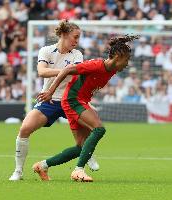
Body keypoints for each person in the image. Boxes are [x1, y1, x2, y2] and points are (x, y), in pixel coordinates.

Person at [33, 35, 139, 182]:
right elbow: (67, 70)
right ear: (117, 57)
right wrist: (50, 92)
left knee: (80, 148)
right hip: (72, 100)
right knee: (99, 129)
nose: (127, 64)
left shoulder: (112, 70)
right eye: (126, 60)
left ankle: (42, 165)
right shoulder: (96, 65)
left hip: (79, 101)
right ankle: (78, 171)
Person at [9, 20, 99, 181]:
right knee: (24, 129)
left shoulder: (77, 54)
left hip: (70, 100)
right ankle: (18, 171)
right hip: (49, 99)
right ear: (64, 35)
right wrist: (66, 70)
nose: (77, 41)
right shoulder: (47, 51)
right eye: (75, 37)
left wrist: (67, 72)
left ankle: (87, 154)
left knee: (92, 130)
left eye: (78, 38)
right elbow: (42, 72)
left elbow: (76, 74)